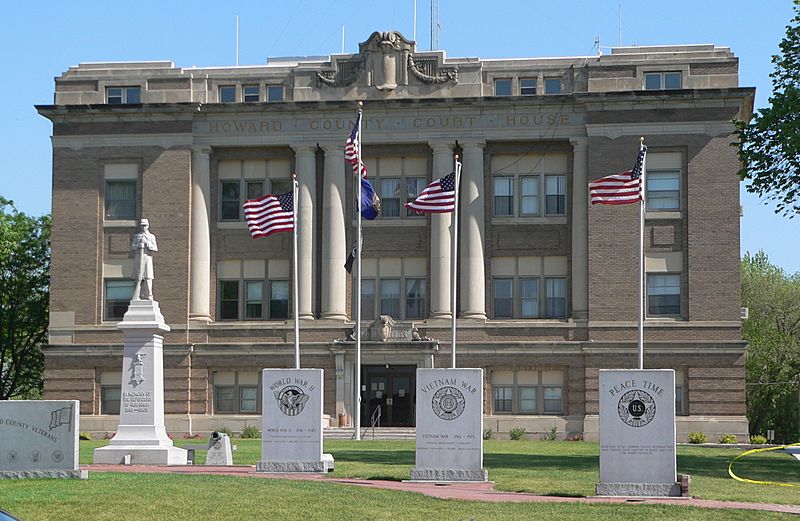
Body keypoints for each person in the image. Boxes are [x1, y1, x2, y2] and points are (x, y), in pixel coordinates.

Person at [131, 218, 158, 300]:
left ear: (148, 226)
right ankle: (138, 294)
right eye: (142, 225)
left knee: (148, 276)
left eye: (145, 225)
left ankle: (149, 294)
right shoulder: (137, 236)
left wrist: (147, 243)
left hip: (147, 257)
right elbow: (132, 247)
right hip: (139, 257)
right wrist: (138, 245)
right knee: (138, 276)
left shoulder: (151, 236)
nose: (143, 227)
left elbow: (155, 248)